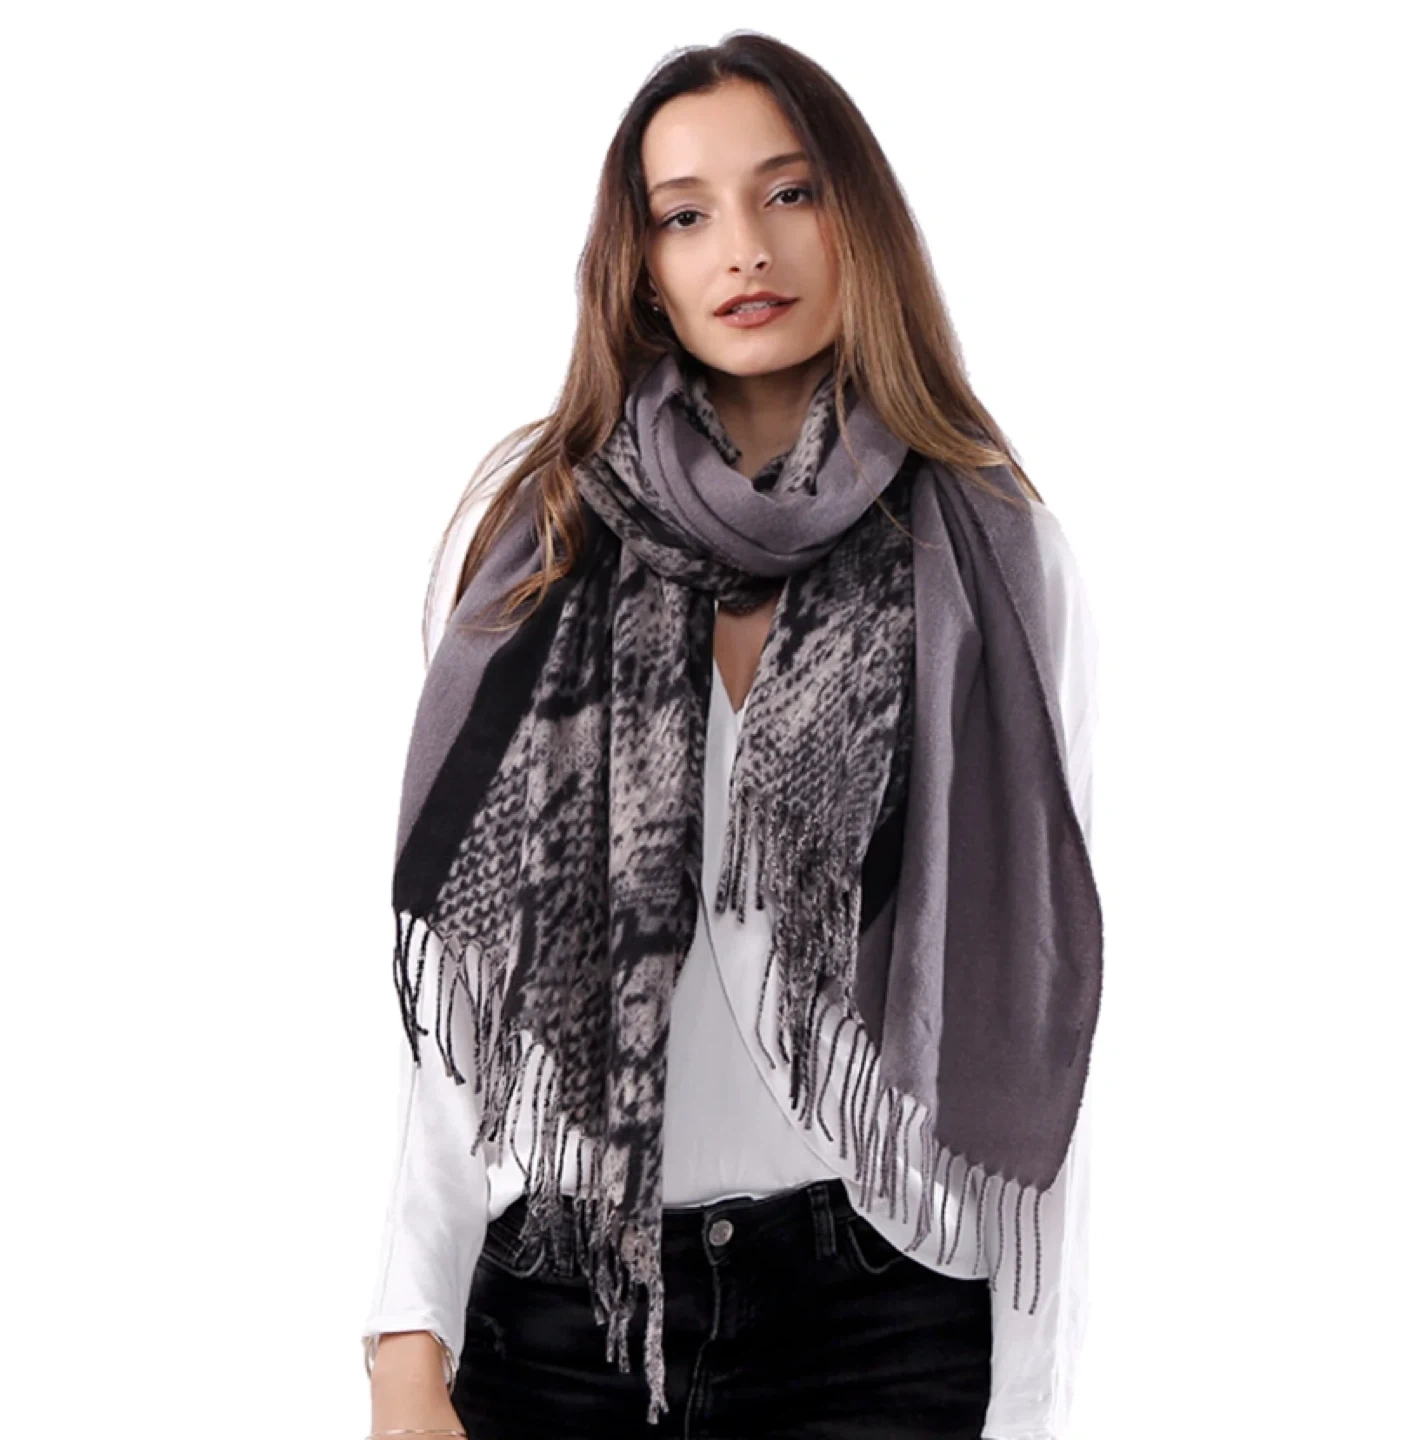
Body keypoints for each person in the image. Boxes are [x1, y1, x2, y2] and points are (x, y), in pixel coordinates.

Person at [361, 29, 1102, 1440]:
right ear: (642, 266)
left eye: (789, 193)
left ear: (857, 217)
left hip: (877, 1322)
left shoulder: (993, 563)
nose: (745, 250)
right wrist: (408, 1336)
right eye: (686, 215)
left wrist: (1029, 1405)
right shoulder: (540, 542)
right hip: (563, 1311)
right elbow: (466, 1004)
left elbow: (1040, 991)